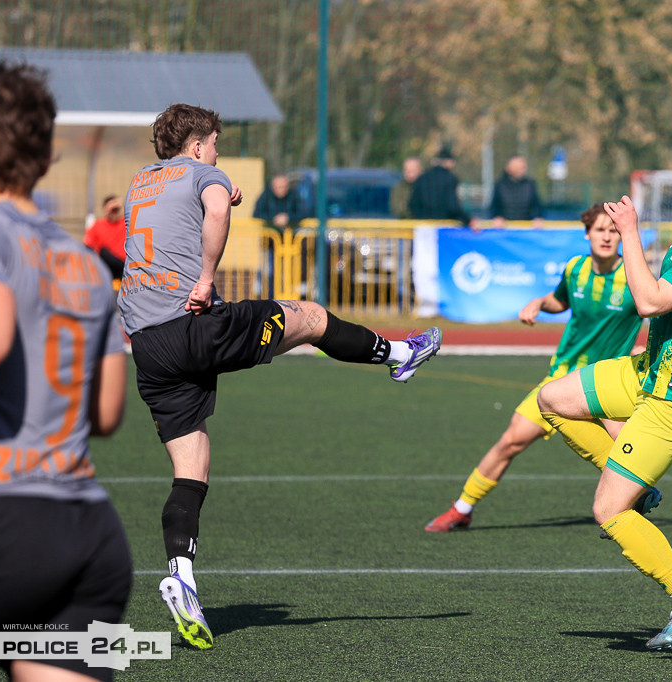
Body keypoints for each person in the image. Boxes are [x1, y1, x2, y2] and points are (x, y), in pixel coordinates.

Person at [119, 103, 443, 650]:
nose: (219, 151)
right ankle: (397, 354)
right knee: (312, 317)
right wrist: (205, 277)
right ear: (197, 144)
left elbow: (177, 215)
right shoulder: (204, 172)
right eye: (216, 142)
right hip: (195, 324)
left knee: (190, 469)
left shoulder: (139, 182)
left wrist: (214, 201)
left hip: (148, 346)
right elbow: (215, 209)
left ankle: (181, 572)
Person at [536, 129, 672, 651]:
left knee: (609, 511)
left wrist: (628, 230)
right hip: (649, 371)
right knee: (552, 399)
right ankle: (644, 488)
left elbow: (651, 302)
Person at [0, 62, 133, 682]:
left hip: (0, 521)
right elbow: (105, 416)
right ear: (45, 159)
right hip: (88, 533)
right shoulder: (88, 264)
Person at [425, 203, 650, 532]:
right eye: (600, 229)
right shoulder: (576, 269)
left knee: (627, 450)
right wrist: (539, 303)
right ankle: (462, 508)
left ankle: (636, 502)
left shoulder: (633, 275)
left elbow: (659, 310)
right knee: (510, 441)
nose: (607, 236)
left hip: (607, 383)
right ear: (587, 234)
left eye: (614, 230)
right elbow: (559, 300)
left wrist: (647, 348)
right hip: (561, 378)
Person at [409, 146, 478, 229]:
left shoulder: (421, 179)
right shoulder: (450, 179)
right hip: (445, 228)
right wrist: (468, 220)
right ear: (449, 162)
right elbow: (452, 206)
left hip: (423, 228)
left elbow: (413, 204)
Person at [83, 194, 127, 282]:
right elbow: (87, 246)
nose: (114, 212)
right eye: (112, 209)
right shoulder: (97, 225)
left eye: (116, 209)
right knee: (103, 252)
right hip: (107, 267)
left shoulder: (126, 223)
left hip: (124, 265)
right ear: (105, 209)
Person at [490, 155, 543, 228]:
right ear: (509, 168)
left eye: (523, 167)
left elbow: (537, 206)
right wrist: (497, 218)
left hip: (526, 229)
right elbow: (494, 207)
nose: (523, 170)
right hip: (505, 229)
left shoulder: (530, 184)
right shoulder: (500, 185)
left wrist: (538, 218)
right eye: (519, 167)